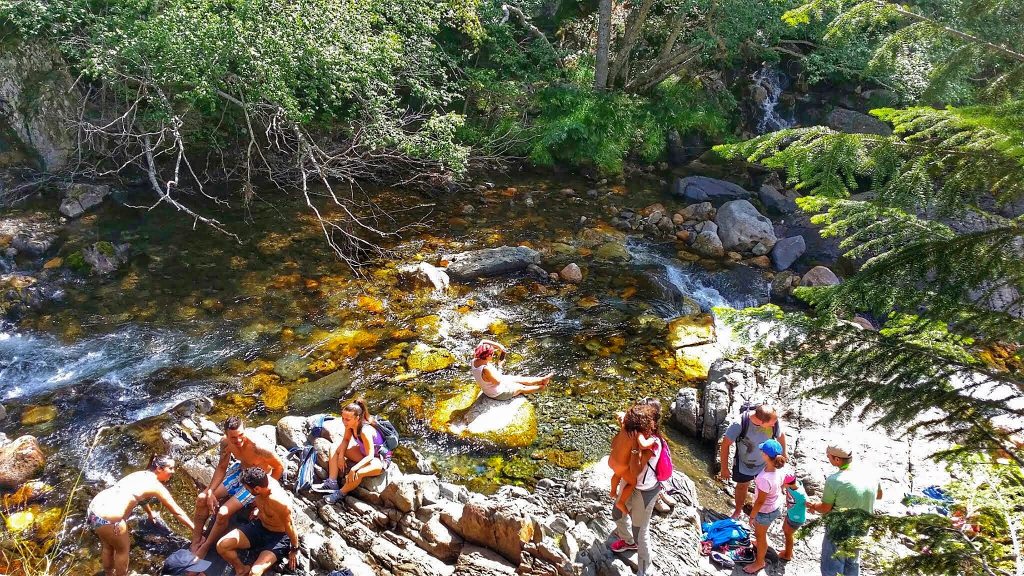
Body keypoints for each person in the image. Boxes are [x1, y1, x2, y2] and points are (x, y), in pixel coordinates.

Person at [190, 416, 285, 559]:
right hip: (240, 471)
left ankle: (206, 546)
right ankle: (196, 540)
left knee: (222, 513)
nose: (239, 440)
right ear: (226, 435)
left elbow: (278, 467)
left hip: (255, 480)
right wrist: (210, 491)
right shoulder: (225, 443)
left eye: (241, 435)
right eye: (234, 437)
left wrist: (262, 496)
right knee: (202, 498)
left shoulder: (258, 447)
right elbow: (222, 467)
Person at [86, 455, 195, 576]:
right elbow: (177, 512)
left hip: (94, 511)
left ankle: (108, 573)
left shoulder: (140, 474)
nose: (173, 472)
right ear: (159, 468)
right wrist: (196, 529)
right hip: (111, 520)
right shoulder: (156, 486)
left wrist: (149, 513)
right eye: (170, 468)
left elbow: (139, 498)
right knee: (122, 551)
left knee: (108, 546)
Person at [808, 441, 882, 576]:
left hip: (839, 528)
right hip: (863, 525)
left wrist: (813, 505)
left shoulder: (835, 480)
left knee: (832, 565)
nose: (827, 458)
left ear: (837, 459)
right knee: (852, 561)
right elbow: (879, 495)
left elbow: (825, 508)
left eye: (828, 456)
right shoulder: (870, 472)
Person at [608, 403, 663, 576]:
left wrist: (633, 449)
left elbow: (636, 469)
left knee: (641, 532)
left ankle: (646, 570)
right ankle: (627, 541)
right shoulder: (635, 434)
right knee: (617, 513)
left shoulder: (654, 444)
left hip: (645, 490)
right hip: (629, 480)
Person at [216, 467, 299, 576]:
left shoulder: (280, 502)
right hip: (260, 526)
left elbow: (290, 526)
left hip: (278, 537)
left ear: (257, 489)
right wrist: (258, 510)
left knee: (254, 573)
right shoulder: (262, 482)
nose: (246, 491)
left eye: (247, 489)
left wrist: (294, 549)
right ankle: (241, 569)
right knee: (222, 546)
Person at [314, 398, 390, 504]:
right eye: (343, 418)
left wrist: (354, 468)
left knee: (358, 473)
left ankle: (340, 493)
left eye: (347, 419)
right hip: (363, 453)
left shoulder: (365, 431)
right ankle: (332, 482)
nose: (344, 422)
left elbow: (370, 456)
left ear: (357, 418)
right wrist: (340, 456)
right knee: (335, 447)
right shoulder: (350, 425)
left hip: (378, 459)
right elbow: (345, 440)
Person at [718, 404, 787, 519]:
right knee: (742, 486)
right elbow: (725, 445)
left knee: (764, 487)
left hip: (766, 463)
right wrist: (724, 468)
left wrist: (784, 453)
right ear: (761, 422)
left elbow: (781, 435)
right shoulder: (739, 424)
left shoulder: (773, 422)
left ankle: (759, 511)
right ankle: (738, 510)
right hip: (745, 463)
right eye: (771, 423)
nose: (774, 425)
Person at [744, 439, 788, 574]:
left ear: (765, 455)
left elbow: (760, 502)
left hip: (765, 512)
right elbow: (782, 485)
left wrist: (752, 515)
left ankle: (759, 562)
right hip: (776, 506)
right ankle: (759, 543)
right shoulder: (780, 469)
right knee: (762, 532)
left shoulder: (764, 478)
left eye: (762, 450)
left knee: (760, 535)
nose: (761, 451)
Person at [470, 339, 552, 400]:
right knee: (520, 388)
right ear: (487, 356)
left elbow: (483, 341)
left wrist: (499, 346)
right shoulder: (486, 369)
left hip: (493, 384)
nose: (493, 355)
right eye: (492, 354)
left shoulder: (475, 357)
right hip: (496, 392)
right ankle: (541, 387)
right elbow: (498, 382)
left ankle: (542, 379)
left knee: (518, 379)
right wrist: (500, 366)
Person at [780, 473, 807, 561]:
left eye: (784, 483)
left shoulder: (801, 495)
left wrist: (812, 508)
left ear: (788, 484)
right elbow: (784, 486)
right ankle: (789, 550)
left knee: (788, 535)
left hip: (796, 518)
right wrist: (782, 488)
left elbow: (808, 502)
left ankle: (788, 555)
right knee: (785, 529)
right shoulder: (793, 484)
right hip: (790, 513)